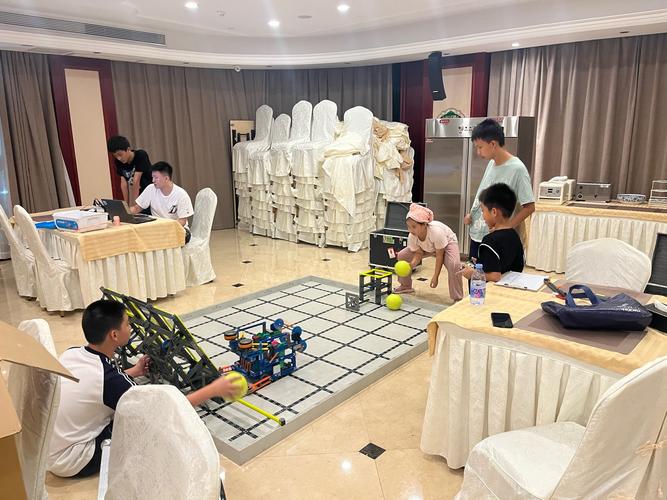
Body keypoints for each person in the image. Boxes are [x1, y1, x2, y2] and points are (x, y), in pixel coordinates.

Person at [48, 300, 242, 478]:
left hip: (51, 445)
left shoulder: (72, 353)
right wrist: (214, 389)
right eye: (127, 324)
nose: (131, 328)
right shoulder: (110, 381)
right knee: (146, 427)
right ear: (114, 335)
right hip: (75, 459)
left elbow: (98, 384)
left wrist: (134, 371)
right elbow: (163, 410)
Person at [463, 119, 535, 261]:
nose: (478, 152)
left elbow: (530, 207)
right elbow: (484, 194)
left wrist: (506, 227)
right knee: (474, 273)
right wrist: (471, 213)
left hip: (496, 240)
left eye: (480, 147)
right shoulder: (491, 163)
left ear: (493, 144)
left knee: (492, 274)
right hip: (477, 234)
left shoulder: (517, 169)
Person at [394, 203, 464, 301]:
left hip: (447, 244)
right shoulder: (412, 236)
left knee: (454, 264)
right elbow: (418, 253)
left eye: (414, 226)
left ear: (424, 225)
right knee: (402, 255)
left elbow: (439, 256)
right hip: (427, 247)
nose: (410, 230)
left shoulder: (436, 233)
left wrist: (435, 276)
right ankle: (405, 286)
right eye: (408, 226)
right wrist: (411, 265)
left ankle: (457, 297)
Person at [459, 183, 525, 283]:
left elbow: (495, 277)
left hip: (491, 290)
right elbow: (514, 265)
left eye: (483, 211)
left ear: (494, 212)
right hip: (511, 286)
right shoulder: (514, 235)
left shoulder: (489, 240)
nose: (482, 215)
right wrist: (482, 261)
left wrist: (472, 273)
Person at [130, 161, 194, 243]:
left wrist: (165, 229)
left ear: (166, 178)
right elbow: (137, 208)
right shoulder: (150, 189)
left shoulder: (181, 194)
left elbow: (182, 221)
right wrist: (122, 213)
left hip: (177, 229)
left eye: (156, 178)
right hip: (158, 229)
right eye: (152, 177)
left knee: (172, 237)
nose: (153, 180)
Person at [106, 136, 153, 206]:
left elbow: (136, 181)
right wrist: (126, 205)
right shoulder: (118, 162)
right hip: (141, 192)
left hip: (152, 191)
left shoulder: (141, 155)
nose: (119, 158)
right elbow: (123, 184)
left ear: (128, 149)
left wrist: (134, 204)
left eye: (120, 155)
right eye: (115, 156)